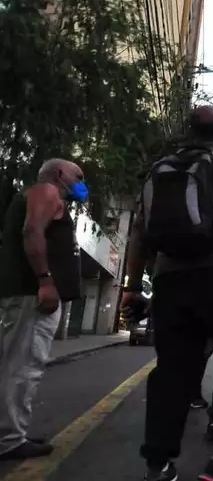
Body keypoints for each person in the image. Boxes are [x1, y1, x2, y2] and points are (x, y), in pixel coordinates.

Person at [122, 105, 213, 481]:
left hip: (171, 279)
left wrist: (131, 286)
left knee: (173, 370)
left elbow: (138, 233)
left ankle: (158, 465)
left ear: (188, 132)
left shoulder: (162, 168)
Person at [0, 159, 86, 460]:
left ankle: (12, 431)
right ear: (60, 174)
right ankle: (8, 440)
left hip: (29, 295)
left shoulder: (46, 195)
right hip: (31, 295)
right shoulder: (46, 191)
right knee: (22, 367)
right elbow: (32, 230)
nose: (81, 184)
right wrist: (45, 282)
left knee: (18, 364)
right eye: (79, 177)